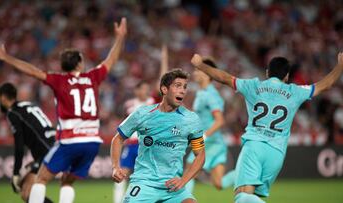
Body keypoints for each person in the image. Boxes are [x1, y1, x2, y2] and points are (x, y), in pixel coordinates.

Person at [0, 17, 127, 203]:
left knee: (41, 179)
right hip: (93, 141)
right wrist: (120, 38)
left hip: (70, 140)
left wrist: (7, 58)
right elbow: (111, 60)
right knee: (67, 181)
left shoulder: (59, 80)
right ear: (79, 63)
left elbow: (32, 71)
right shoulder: (92, 77)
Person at [191, 53, 343, 203]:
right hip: (276, 153)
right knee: (253, 197)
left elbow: (223, 78)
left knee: (242, 197)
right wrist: (340, 65)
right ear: (287, 76)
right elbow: (326, 85)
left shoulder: (253, 86)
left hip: (254, 147)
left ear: (267, 73)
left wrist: (201, 65)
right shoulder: (296, 91)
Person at [111, 69, 205, 203]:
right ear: (164, 89)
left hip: (173, 187)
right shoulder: (143, 114)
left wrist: (184, 180)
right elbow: (118, 138)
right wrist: (115, 167)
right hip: (144, 183)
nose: (183, 90)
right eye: (178, 86)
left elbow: (200, 154)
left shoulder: (191, 119)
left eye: (185, 87)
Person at [113, 44, 168, 203]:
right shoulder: (129, 105)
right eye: (141, 89)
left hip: (149, 145)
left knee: (154, 174)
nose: (145, 91)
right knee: (122, 172)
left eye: (146, 89)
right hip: (131, 144)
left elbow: (163, 81)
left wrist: (164, 60)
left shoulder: (153, 102)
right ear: (137, 91)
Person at [0, 82, 55, 203]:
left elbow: (19, 145)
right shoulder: (28, 105)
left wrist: (15, 173)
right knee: (26, 193)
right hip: (53, 147)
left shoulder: (13, 113)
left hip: (47, 152)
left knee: (29, 193)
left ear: (3, 97)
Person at [185, 57, 235, 193]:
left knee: (189, 171)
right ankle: (242, 173)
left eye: (198, 70)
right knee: (218, 184)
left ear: (207, 74)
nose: (195, 73)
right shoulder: (202, 93)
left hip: (210, 142)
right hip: (214, 142)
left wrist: (204, 136)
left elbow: (220, 120)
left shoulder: (211, 95)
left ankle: (184, 201)